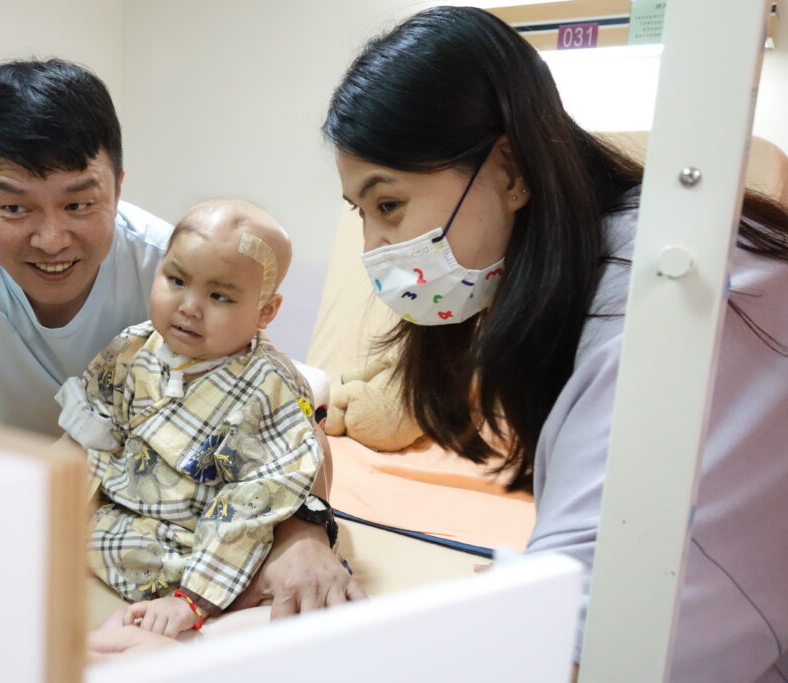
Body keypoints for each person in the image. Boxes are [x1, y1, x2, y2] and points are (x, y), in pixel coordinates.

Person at [322, 7, 788, 683]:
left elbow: (601, 627)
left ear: (509, 170)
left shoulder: (671, 294)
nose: (374, 250)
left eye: (389, 205)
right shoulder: (580, 276)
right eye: (359, 214)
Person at [0, 57, 363, 624]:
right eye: (13, 207)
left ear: (118, 185)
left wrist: (304, 532)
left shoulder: (177, 268)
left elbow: (287, 418)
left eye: (80, 203)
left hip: (142, 495)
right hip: (15, 463)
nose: (52, 239)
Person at [59, 199, 328, 638]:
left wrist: (194, 597)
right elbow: (94, 433)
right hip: (125, 511)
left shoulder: (268, 389)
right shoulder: (131, 349)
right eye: (177, 280)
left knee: (262, 584)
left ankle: (199, 611)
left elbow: (252, 505)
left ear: (265, 312)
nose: (189, 306)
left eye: (219, 295)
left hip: (205, 537)